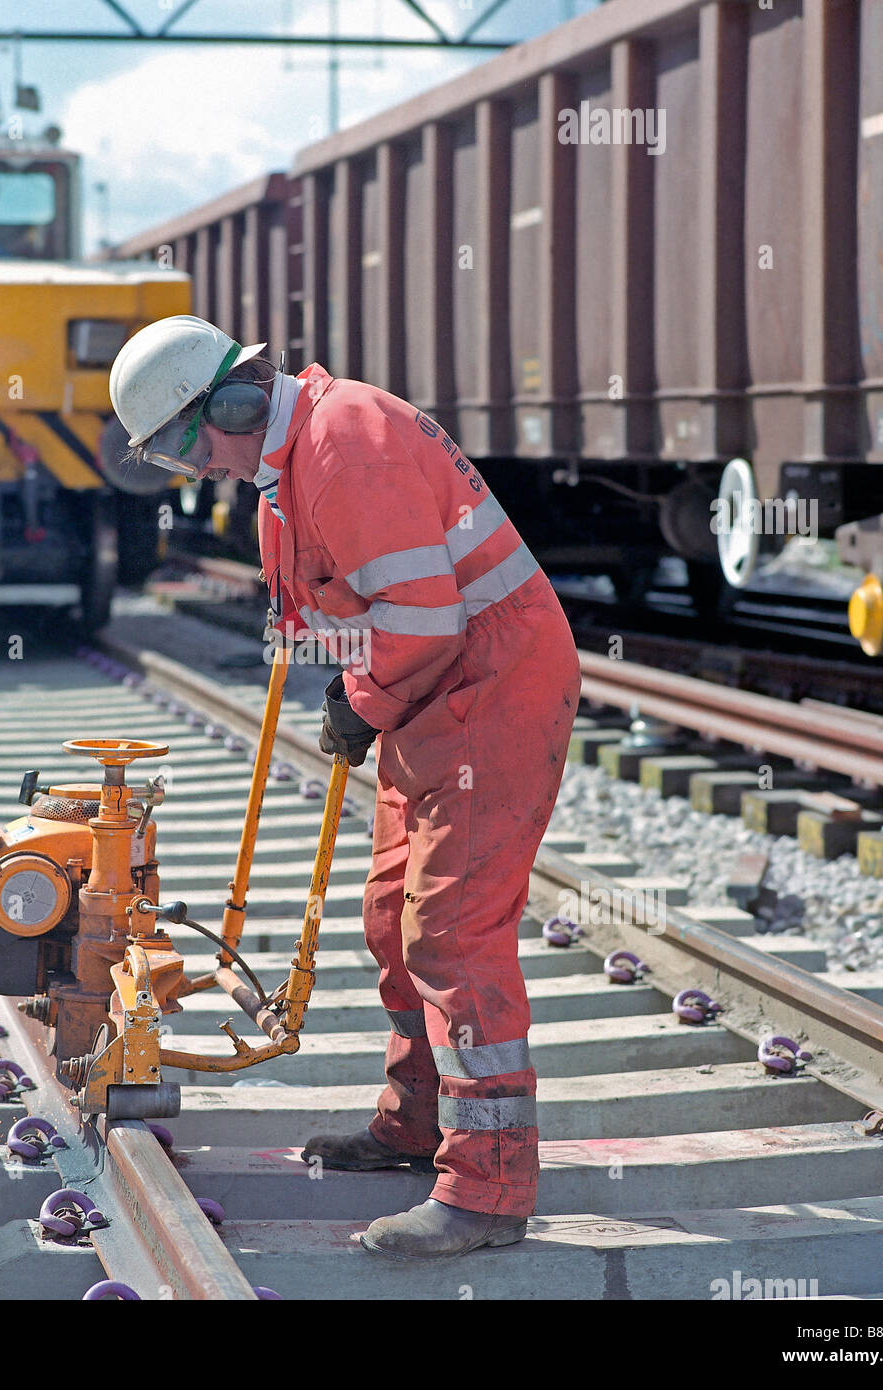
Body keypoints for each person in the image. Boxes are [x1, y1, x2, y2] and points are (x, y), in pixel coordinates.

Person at [109, 315, 581, 1259]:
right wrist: (357, 687)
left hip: (491, 692)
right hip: (432, 702)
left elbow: (425, 617)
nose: (190, 469)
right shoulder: (284, 470)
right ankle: (417, 1126)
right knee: (387, 918)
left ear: (230, 405)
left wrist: (360, 701)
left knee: (449, 931)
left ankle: (488, 1188)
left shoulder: (343, 447)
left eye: (180, 446)